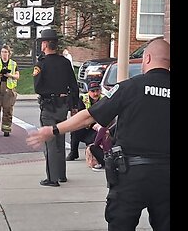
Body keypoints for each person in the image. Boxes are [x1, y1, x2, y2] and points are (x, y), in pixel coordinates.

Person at [27, 38, 170, 231]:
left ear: (148, 58)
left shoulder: (129, 87)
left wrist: (53, 129)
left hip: (132, 176)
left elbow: (88, 117)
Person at [33, 29, 79, 187]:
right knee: (60, 139)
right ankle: (61, 174)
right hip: (63, 105)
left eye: (42, 43)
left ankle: (52, 178)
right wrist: (73, 106)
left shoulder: (42, 64)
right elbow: (74, 86)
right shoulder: (65, 62)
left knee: (50, 143)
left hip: (48, 107)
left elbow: (38, 88)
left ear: (45, 44)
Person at [66, 81, 104, 161]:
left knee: (98, 135)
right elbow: (80, 115)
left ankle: (94, 154)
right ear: (88, 92)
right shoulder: (83, 99)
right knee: (75, 130)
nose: (95, 93)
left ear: (100, 90)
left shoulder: (104, 99)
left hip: (97, 126)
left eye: (97, 90)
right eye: (93, 91)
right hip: (85, 125)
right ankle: (73, 153)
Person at [0, 44, 19, 137]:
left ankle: (6, 129)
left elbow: (17, 76)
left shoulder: (13, 64)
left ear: (9, 54)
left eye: (5, 52)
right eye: (2, 52)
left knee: (8, 109)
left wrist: (10, 75)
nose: (3, 54)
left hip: (9, 89)